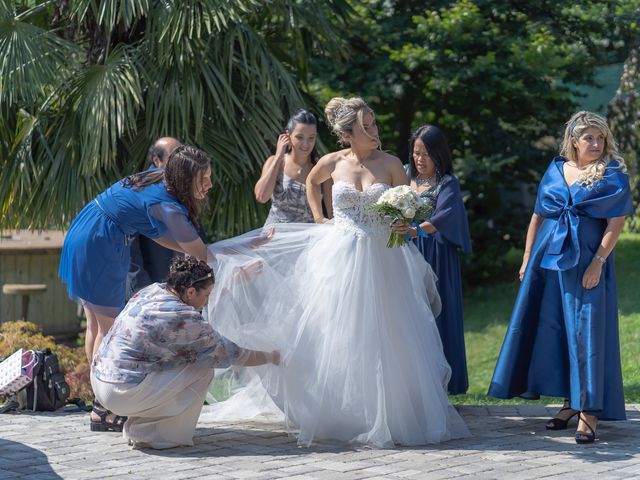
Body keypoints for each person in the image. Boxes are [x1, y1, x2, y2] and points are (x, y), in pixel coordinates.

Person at [205, 97, 469, 448]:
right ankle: (339, 409)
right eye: (368, 126)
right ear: (348, 134)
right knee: (336, 331)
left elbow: (405, 200)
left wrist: (400, 221)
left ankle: (391, 412)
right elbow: (313, 184)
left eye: (375, 124)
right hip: (339, 253)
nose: (376, 131)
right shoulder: (332, 162)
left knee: (387, 331)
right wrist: (319, 218)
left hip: (382, 257)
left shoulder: (391, 164)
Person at [488, 111, 632, 444]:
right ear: (573, 141)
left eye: (600, 138)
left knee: (587, 331)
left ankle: (589, 411)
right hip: (547, 261)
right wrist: (527, 259)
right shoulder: (555, 170)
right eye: (589, 138)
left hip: (586, 262)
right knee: (553, 328)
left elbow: (615, 224)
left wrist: (598, 262)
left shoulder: (612, 174)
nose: (596, 144)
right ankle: (569, 403)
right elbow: (538, 216)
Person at [59, 145, 212, 430]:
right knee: (110, 331)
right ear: (184, 179)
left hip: (88, 229)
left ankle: (100, 405)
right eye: (203, 180)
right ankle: (103, 408)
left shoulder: (159, 178)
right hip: (101, 243)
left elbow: (160, 236)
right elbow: (200, 255)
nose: (209, 185)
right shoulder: (169, 207)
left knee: (95, 327)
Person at [90, 256, 280, 448]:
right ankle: (157, 436)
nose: (207, 303)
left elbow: (200, 291)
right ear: (190, 291)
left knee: (180, 363)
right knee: (202, 370)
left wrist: (237, 278)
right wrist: (272, 356)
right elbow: (231, 353)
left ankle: (141, 427)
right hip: (119, 392)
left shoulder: (153, 290)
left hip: (100, 380)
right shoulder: (182, 317)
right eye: (206, 296)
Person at [399, 125, 472, 394]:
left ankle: (442, 382)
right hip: (404, 254)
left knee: (437, 312)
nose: (420, 159)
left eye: (427, 153)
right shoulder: (404, 175)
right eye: (416, 152)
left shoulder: (447, 182)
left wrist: (416, 231)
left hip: (436, 255)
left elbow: (444, 216)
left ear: (439, 154)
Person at [126, 137, 183, 301]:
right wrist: (142, 290)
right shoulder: (140, 187)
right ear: (156, 160)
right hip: (149, 286)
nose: (180, 160)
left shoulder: (179, 185)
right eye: (174, 155)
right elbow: (130, 249)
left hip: (180, 285)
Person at [254, 109, 332, 224]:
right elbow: (261, 197)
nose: (306, 144)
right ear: (288, 136)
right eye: (300, 137)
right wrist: (278, 156)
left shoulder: (321, 168)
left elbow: (331, 212)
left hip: (308, 238)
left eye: (311, 138)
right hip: (276, 237)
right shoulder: (275, 162)